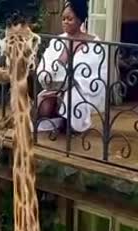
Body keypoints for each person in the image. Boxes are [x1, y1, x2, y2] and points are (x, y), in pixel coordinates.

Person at [35, 0, 107, 135]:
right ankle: (57, 121)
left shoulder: (95, 45)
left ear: (80, 20)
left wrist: (73, 82)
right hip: (57, 85)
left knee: (73, 99)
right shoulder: (58, 41)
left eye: (70, 19)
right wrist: (61, 59)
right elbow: (44, 67)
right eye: (63, 19)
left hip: (81, 89)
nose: (65, 22)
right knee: (43, 101)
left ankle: (70, 125)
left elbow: (97, 76)